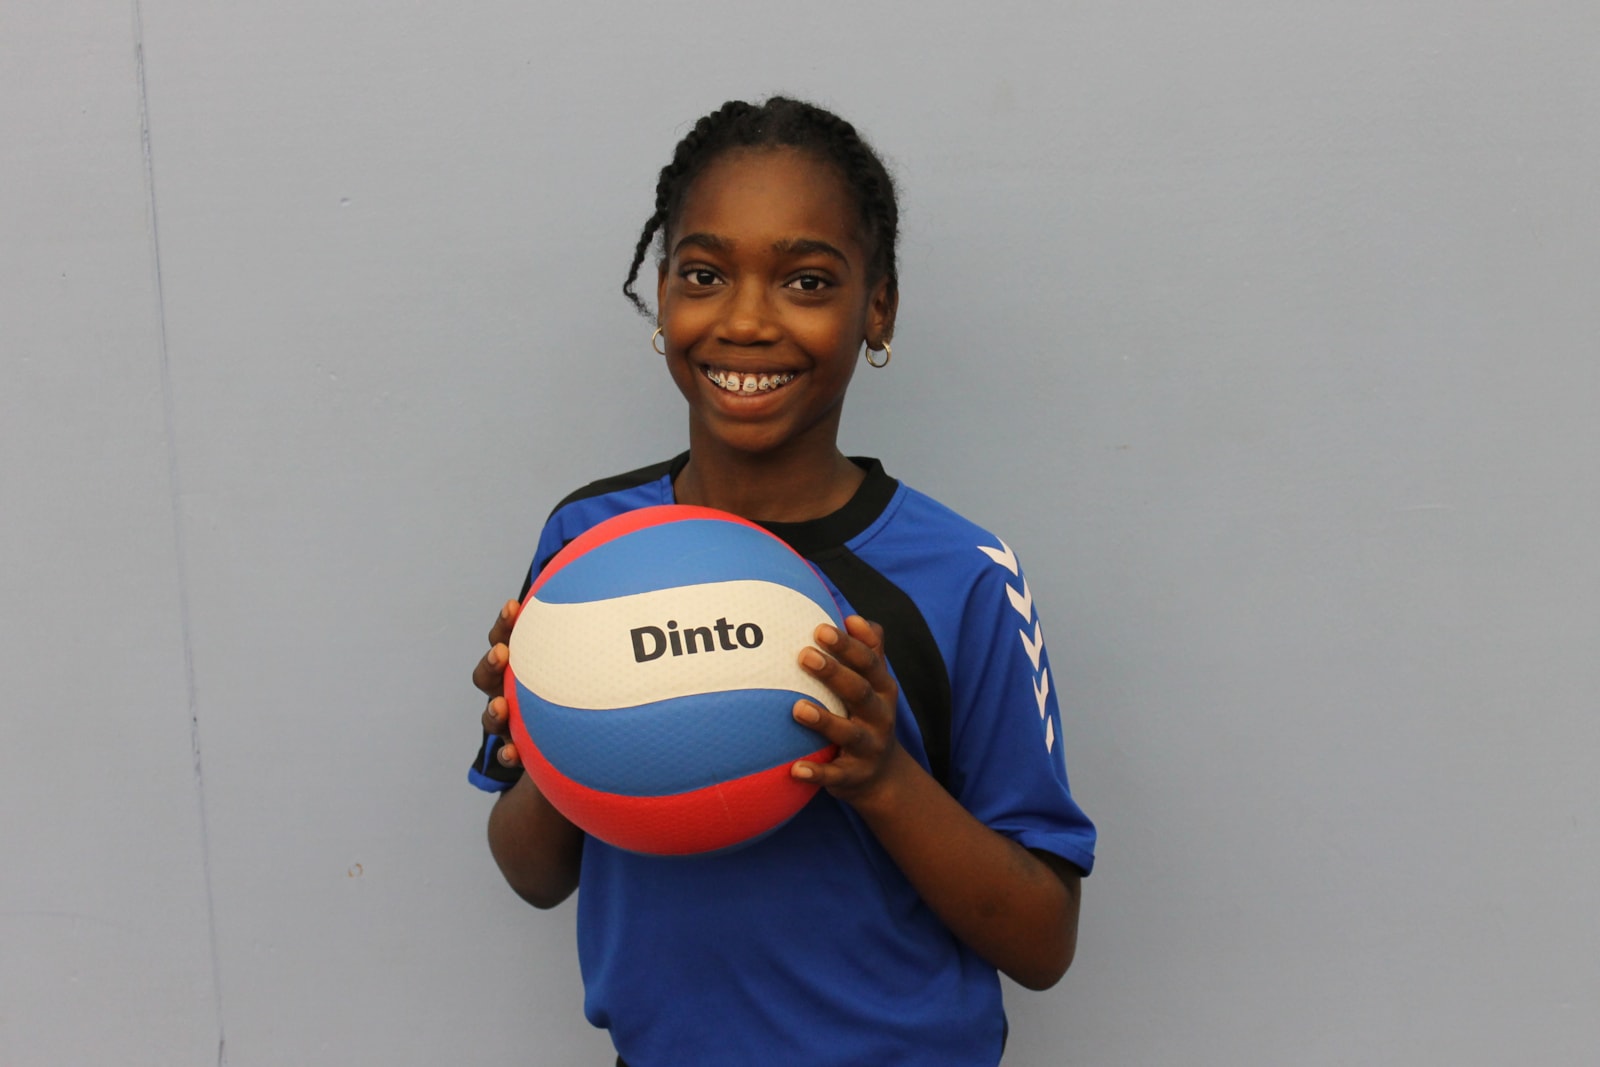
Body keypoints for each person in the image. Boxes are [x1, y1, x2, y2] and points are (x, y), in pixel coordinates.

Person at [468, 97, 1096, 1066]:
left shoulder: (961, 575)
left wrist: (882, 775)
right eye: (704, 274)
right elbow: (534, 874)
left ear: (877, 308)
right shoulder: (588, 548)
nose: (747, 320)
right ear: (661, 295)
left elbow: (1043, 940)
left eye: (806, 280)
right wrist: (557, 739)